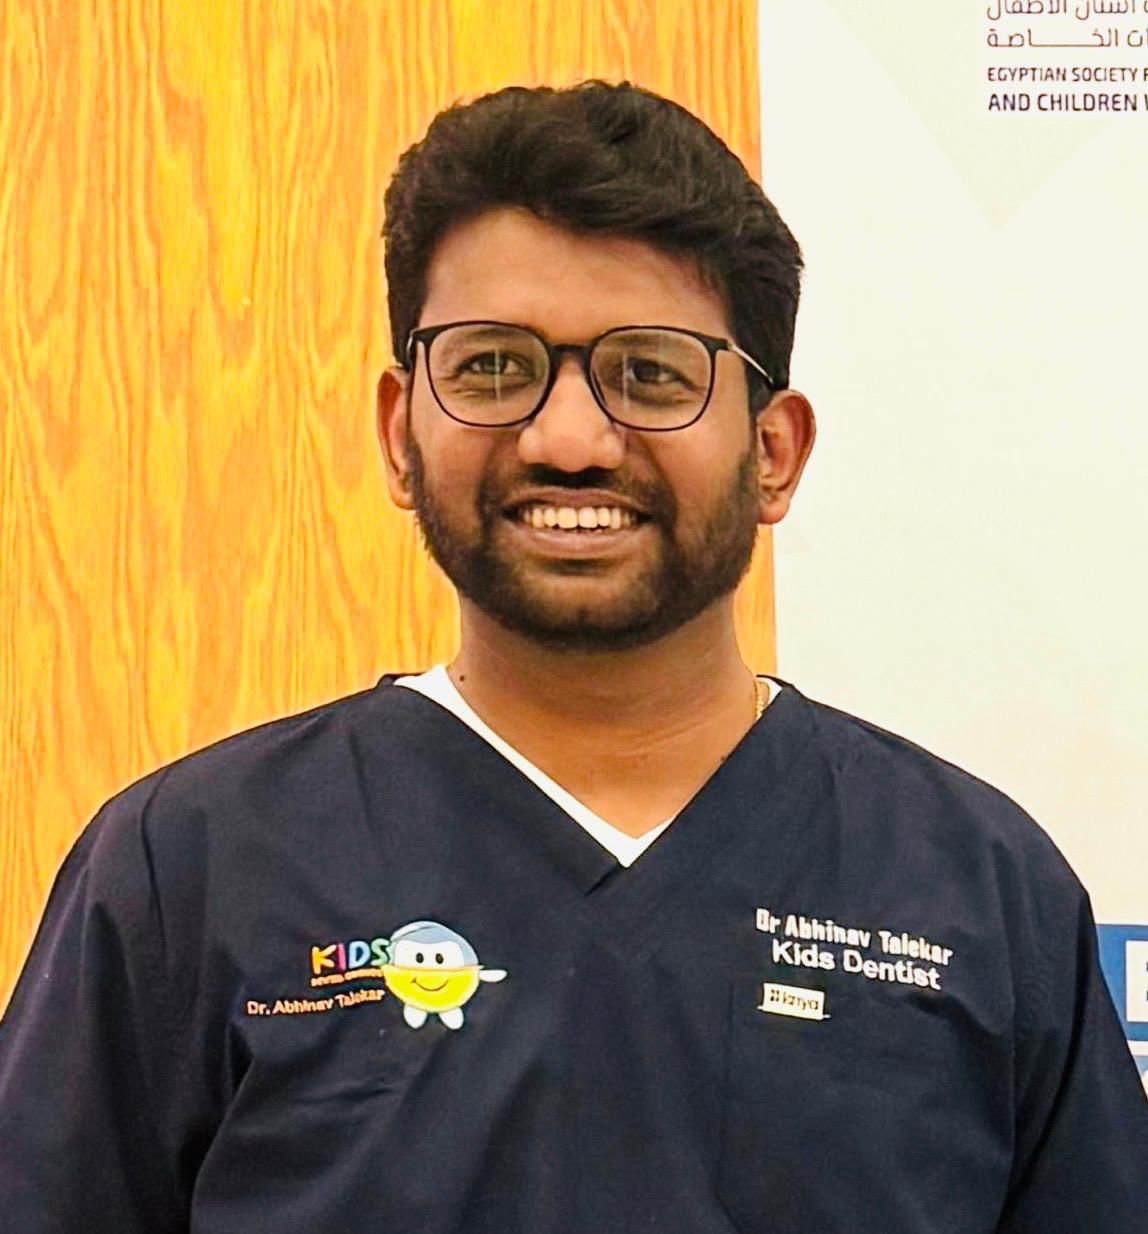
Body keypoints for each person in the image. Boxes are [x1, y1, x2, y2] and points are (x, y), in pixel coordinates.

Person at [0, 81, 1144, 1234]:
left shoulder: (977, 891)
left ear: (772, 451)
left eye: (650, 373)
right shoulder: (187, 873)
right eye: (492, 368)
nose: (568, 440)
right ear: (399, 431)